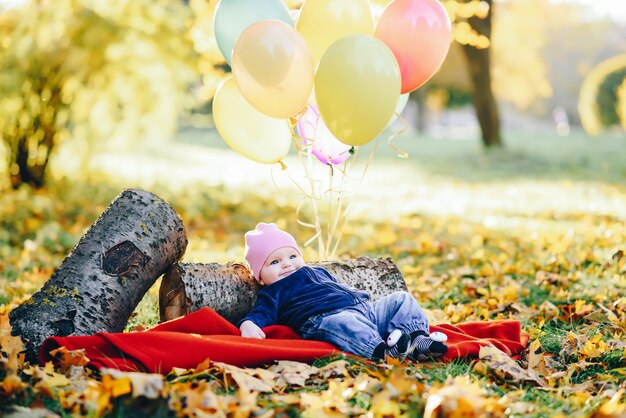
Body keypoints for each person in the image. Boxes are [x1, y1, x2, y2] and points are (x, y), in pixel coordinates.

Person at [238, 222, 448, 362]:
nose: (286, 264)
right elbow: (261, 314)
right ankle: (382, 352)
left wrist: (359, 299)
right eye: (274, 262)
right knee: (345, 322)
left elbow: (337, 288)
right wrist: (248, 324)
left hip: (365, 310)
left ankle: (418, 340)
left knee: (401, 299)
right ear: (260, 276)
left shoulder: (316, 271)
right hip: (326, 319)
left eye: (292, 256)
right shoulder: (273, 291)